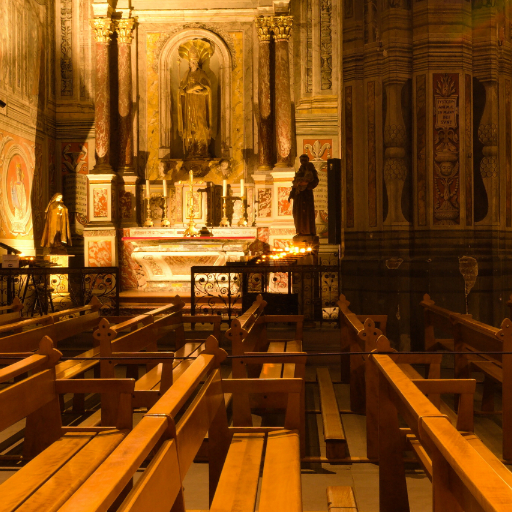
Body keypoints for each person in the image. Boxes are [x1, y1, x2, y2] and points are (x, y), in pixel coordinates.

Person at [178, 40, 214, 159]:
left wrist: (199, 90)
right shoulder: (186, 74)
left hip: (200, 104)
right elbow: (182, 89)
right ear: (189, 63)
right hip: (189, 103)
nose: (193, 64)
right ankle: (191, 148)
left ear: (198, 63)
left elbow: (207, 88)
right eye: (191, 62)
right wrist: (183, 91)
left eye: (195, 62)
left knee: (200, 124)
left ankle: (202, 147)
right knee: (190, 125)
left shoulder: (202, 73)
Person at [289, 154, 319, 236]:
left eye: (304, 160)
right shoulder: (300, 170)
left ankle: (308, 231)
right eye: (301, 160)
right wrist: (292, 193)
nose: (303, 162)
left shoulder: (311, 170)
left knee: (307, 213)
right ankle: (300, 230)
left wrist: (307, 185)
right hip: (298, 195)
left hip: (306, 195)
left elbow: (315, 181)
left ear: (307, 160)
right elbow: (295, 183)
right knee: (297, 213)